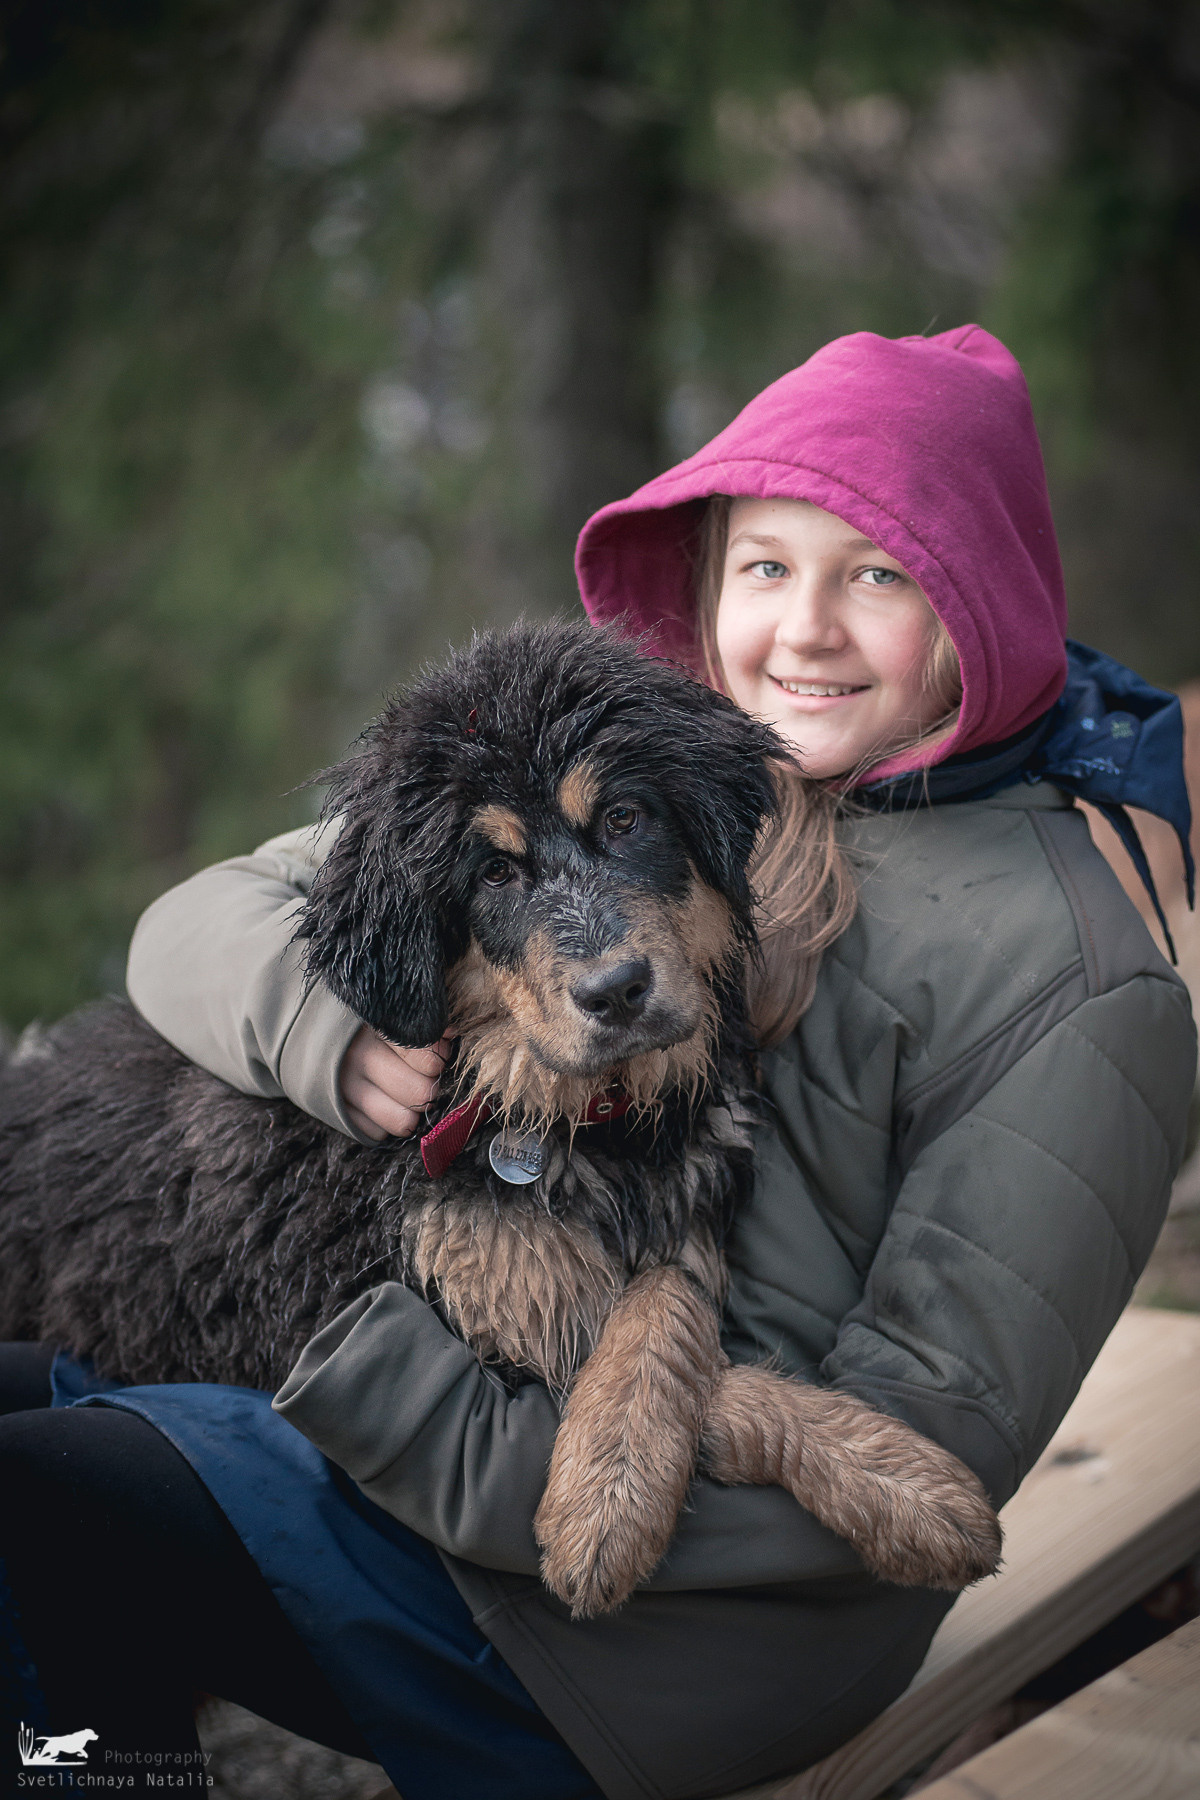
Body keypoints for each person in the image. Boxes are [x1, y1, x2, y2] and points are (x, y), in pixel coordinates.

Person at [1, 325, 1195, 1800]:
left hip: (674, 1629)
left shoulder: (1075, 978)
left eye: (880, 574)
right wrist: (330, 1034)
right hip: (498, 1431)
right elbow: (215, 916)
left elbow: (921, 1453)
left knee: (50, 1500)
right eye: (767, 566)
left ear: (978, 597)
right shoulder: (683, 758)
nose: (807, 630)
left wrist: (443, 1423)